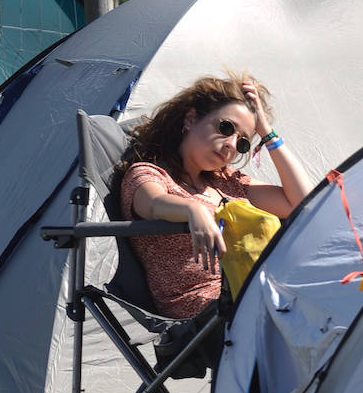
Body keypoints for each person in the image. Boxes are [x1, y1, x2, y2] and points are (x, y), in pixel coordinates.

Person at [117, 72, 313, 320]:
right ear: (190, 119)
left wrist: (267, 132)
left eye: (242, 142)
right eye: (226, 127)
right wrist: (192, 210)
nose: (232, 144)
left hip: (258, 296)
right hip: (208, 317)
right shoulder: (148, 173)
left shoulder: (228, 182)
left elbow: (305, 204)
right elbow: (153, 204)